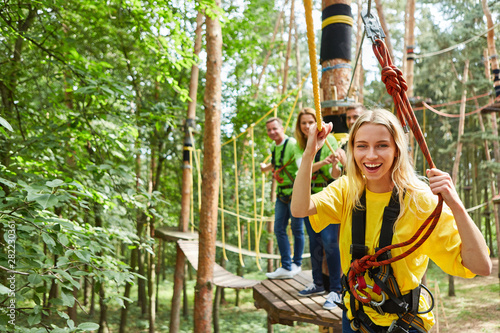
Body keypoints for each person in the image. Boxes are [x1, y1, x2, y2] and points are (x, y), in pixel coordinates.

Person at [291, 109, 491, 332]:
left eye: (382, 145)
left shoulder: (419, 200)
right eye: (362, 146)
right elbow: (299, 209)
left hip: (404, 323)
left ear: (397, 149)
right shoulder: (347, 190)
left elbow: (481, 266)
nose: (371, 155)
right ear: (352, 150)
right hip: (357, 318)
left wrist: (456, 205)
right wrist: (310, 152)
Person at [293, 108, 343, 310]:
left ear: (317, 123)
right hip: (308, 198)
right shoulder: (300, 145)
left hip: (327, 198)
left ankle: (336, 289)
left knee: (330, 241)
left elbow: (335, 175)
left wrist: (333, 165)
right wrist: (320, 160)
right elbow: (300, 167)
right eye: (303, 123)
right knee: (314, 241)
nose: (307, 126)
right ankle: (318, 283)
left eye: (310, 122)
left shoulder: (330, 142)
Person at [260, 117, 304, 279]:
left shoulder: (292, 144)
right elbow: (276, 163)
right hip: (281, 193)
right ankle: (286, 265)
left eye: (274, 129)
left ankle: (296, 264)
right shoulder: (274, 146)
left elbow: (301, 165)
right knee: (279, 228)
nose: (272, 132)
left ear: (281, 128)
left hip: (295, 193)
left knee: (297, 229)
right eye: (269, 130)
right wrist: (266, 168)